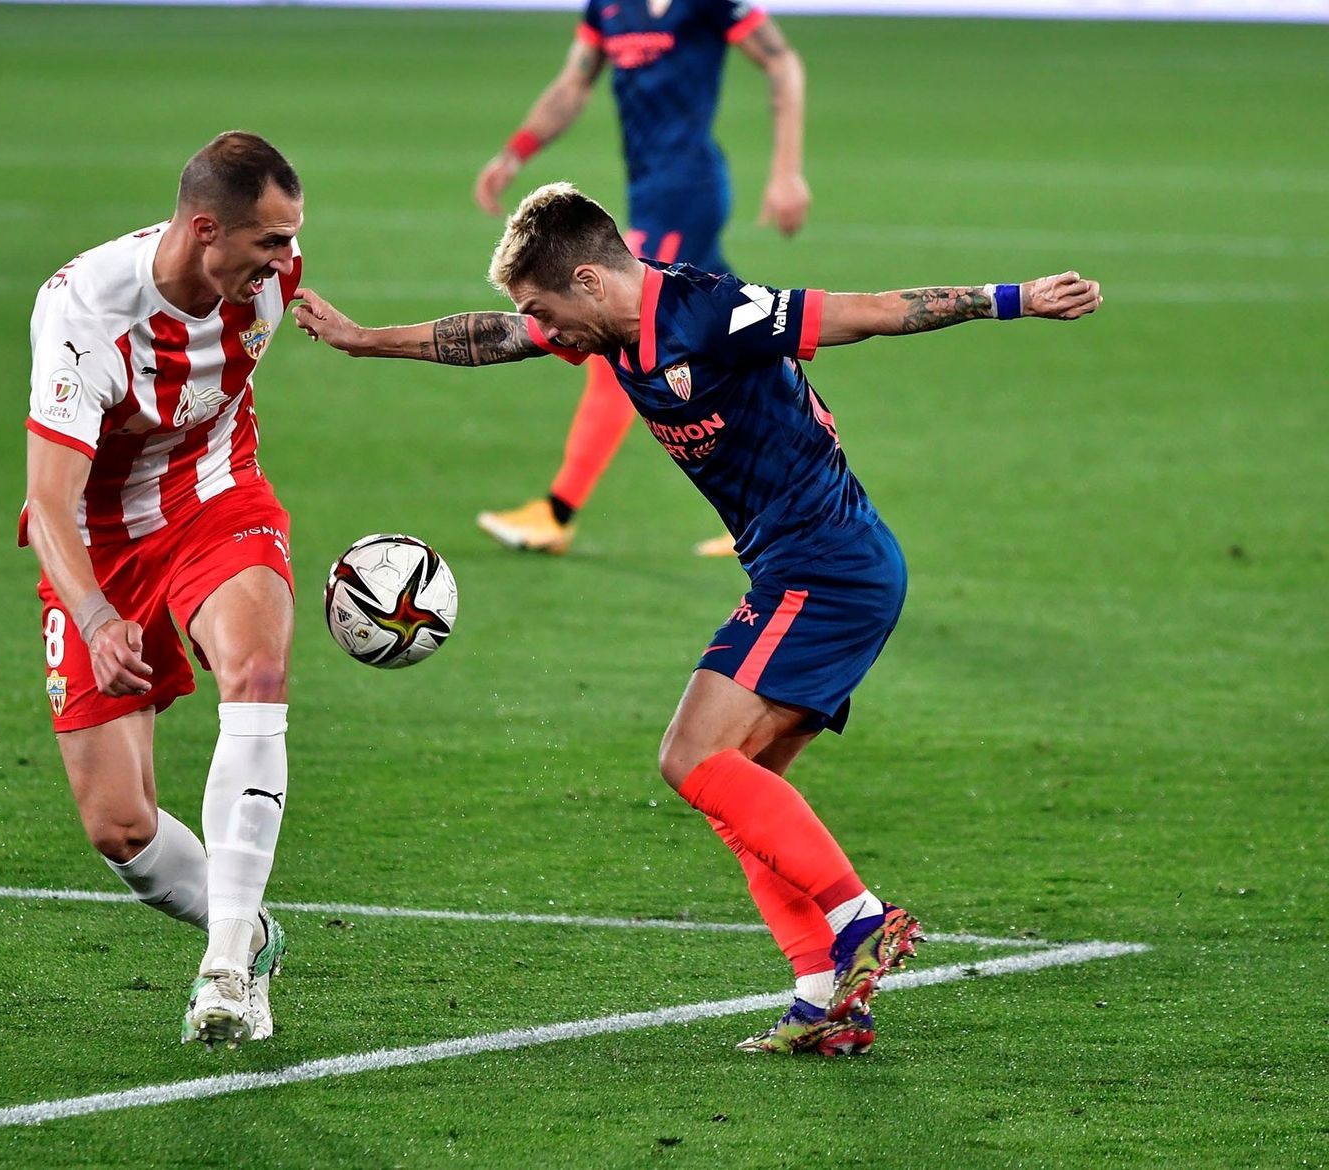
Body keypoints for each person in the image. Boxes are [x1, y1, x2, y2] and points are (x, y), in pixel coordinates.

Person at [291, 183, 1101, 1054]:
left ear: (591, 281)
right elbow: (493, 338)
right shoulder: (604, 328)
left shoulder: (713, 313)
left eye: (544, 308)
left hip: (826, 566)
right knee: (742, 791)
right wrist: (363, 340)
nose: (542, 329)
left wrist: (1014, 300)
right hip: (808, 567)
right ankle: (824, 997)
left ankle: (858, 919)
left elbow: (866, 312)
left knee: (689, 755)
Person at [22, 131, 305, 1051]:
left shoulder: (268, 280)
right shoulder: (86, 312)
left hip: (214, 499)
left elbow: (241, 363)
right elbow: (49, 504)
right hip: (97, 545)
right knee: (119, 827)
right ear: (203, 228)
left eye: (293, 238)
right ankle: (253, 932)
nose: (286, 259)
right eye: (268, 240)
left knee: (256, 676)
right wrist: (98, 617)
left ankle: (224, 962)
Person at [472, 0, 810, 558]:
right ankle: (784, 502)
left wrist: (786, 171)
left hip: (686, 196)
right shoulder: (610, 7)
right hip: (650, 194)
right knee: (749, 335)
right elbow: (573, 85)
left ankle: (557, 512)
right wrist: (516, 153)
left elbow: (783, 63)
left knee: (621, 333)